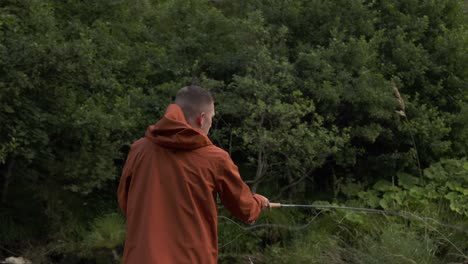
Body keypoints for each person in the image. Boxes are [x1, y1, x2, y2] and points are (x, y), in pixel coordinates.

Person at [117, 85, 269, 264]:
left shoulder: (138, 150)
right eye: (211, 119)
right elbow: (246, 209)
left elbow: (124, 202)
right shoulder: (215, 158)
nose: (211, 124)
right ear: (201, 118)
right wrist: (259, 202)